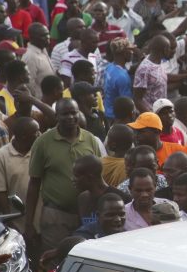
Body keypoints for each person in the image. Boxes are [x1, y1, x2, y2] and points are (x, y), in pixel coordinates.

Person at [25, 99, 102, 251]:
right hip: (56, 215)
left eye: (74, 113)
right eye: (65, 114)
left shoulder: (90, 139)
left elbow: (99, 177)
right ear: (57, 116)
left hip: (87, 216)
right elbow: (34, 183)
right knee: (55, 262)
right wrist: (29, 224)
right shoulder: (43, 142)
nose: (70, 117)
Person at [73, 155, 130, 225]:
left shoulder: (120, 199)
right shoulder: (82, 199)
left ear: (89, 178)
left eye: (76, 176)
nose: (73, 179)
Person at [132, 35, 170, 113]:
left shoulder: (160, 63)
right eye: (169, 48)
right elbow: (137, 99)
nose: (171, 50)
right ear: (165, 50)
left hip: (161, 113)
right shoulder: (145, 69)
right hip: (150, 116)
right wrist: (152, 117)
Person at [21, 23, 52, 99]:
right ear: (32, 38)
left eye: (48, 34)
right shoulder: (30, 56)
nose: (47, 37)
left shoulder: (43, 49)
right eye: (43, 35)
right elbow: (29, 84)